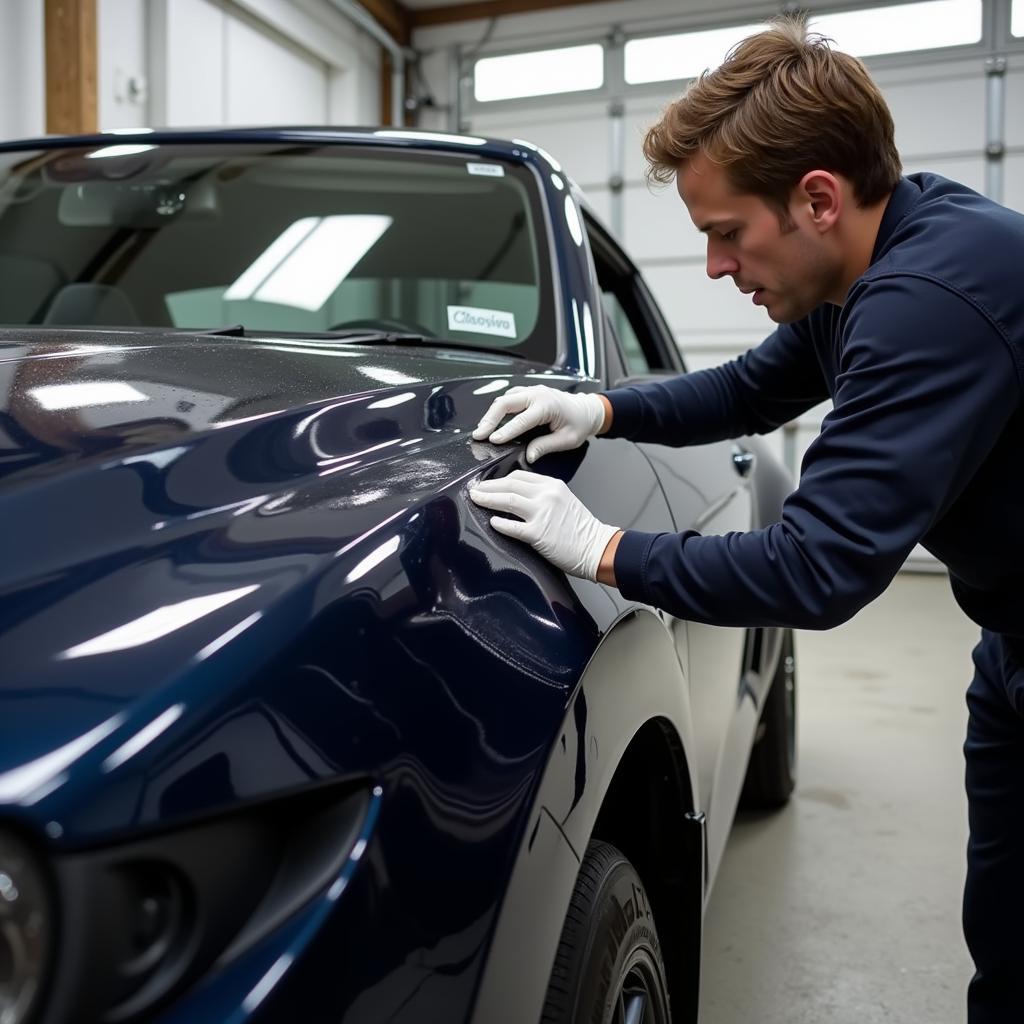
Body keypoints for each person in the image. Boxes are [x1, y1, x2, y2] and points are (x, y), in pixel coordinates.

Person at [467, 17, 1024, 1022]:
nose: (717, 267)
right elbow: (745, 391)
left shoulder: (929, 299)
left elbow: (818, 569)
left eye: (726, 233)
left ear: (816, 198)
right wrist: (599, 407)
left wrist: (597, 547)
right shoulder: (872, 253)